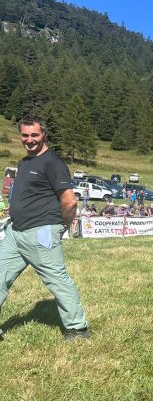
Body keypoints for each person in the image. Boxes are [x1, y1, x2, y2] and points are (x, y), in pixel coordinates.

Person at [0, 114, 89, 341]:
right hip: (15, 232)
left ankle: (77, 329)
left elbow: (69, 201)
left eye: (34, 135)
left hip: (41, 232)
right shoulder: (25, 162)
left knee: (57, 281)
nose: (29, 140)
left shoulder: (53, 163)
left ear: (44, 135)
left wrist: (60, 227)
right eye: (25, 135)